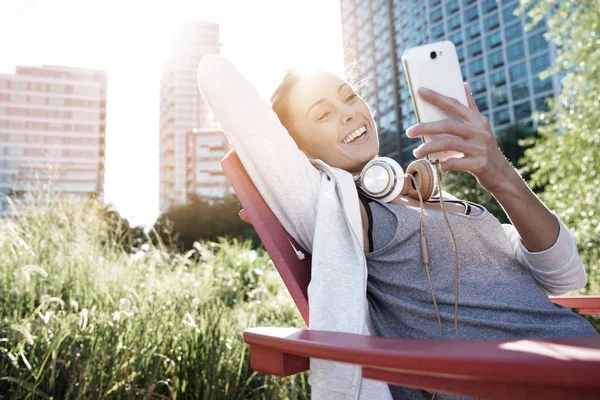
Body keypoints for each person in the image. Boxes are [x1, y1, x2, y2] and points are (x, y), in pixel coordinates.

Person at [197, 55, 598, 400]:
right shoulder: (346, 216)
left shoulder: (431, 199)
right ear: (297, 152)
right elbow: (216, 75)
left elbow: (563, 275)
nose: (350, 112)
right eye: (322, 114)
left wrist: (497, 172)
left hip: (581, 360)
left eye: (349, 96)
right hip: (542, 381)